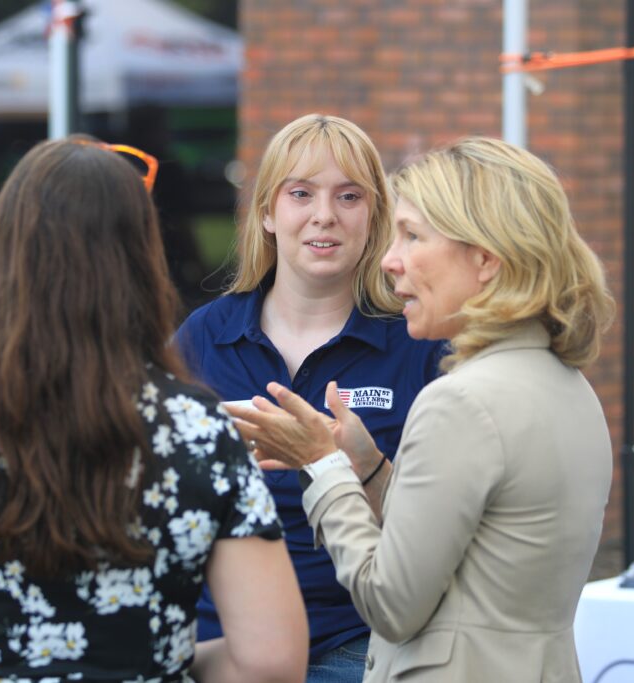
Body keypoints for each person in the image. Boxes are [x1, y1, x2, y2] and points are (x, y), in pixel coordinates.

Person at [0, 135, 308, 683]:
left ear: (2, 256)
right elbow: (271, 662)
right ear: (141, 259)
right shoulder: (199, 433)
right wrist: (171, 664)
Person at [228, 137, 616, 682]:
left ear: (483, 260)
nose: (389, 261)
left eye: (412, 236)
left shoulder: (459, 400)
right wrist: (366, 465)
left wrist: (322, 465)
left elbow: (389, 603)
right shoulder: (566, 384)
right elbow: (465, 546)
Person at [176, 113, 444, 681]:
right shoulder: (203, 336)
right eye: (301, 193)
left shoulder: (417, 344)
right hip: (219, 644)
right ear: (269, 212)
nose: (325, 215)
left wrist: (354, 463)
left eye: (349, 196)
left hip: (353, 645)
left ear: (374, 218)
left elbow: (435, 532)